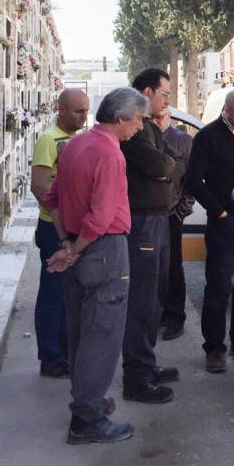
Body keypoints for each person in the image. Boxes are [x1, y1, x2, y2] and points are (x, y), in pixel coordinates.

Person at [43, 87, 148, 444]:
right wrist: (76, 248)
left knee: (81, 331)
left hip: (79, 243)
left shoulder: (75, 143)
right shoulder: (110, 153)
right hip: (104, 249)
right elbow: (102, 216)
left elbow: (52, 198)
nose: (140, 127)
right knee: (102, 335)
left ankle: (92, 401)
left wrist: (67, 243)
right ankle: (87, 418)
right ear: (121, 118)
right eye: (138, 120)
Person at [184, 87, 234, 373]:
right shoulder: (208, 136)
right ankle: (214, 348)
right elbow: (193, 180)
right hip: (224, 220)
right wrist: (217, 210)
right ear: (227, 111)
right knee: (218, 284)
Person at [118, 68, 183, 403]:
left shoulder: (152, 127)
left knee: (156, 296)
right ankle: (137, 378)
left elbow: (174, 164)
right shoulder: (136, 129)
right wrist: (165, 167)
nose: (168, 100)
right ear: (147, 92)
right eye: (165, 93)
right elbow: (160, 167)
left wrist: (166, 167)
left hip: (158, 220)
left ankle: (146, 362)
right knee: (141, 300)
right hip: (141, 222)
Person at [29, 88, 91, 379]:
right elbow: (40, 187)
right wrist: (61, 228)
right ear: (61, 109)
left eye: (86, 110)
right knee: (53, 295)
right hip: (54, 229)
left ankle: (65, 352)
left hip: (71, 229)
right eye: (79, 111)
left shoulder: (77, 140)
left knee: (69, 295)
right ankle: (50, 358)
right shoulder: (48, 140)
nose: (84, 116)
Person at [153, 108, 194, 340]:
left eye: (161, 116)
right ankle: (159, 312)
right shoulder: (146, 137)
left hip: (172, 214)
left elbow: (191, 179)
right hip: (149, 213)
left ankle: (176, 316)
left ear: (169, 115)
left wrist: (182, 210)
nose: (157, 121)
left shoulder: (182, 141)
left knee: (174, 266)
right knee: (154, 266)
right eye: (153, 117)